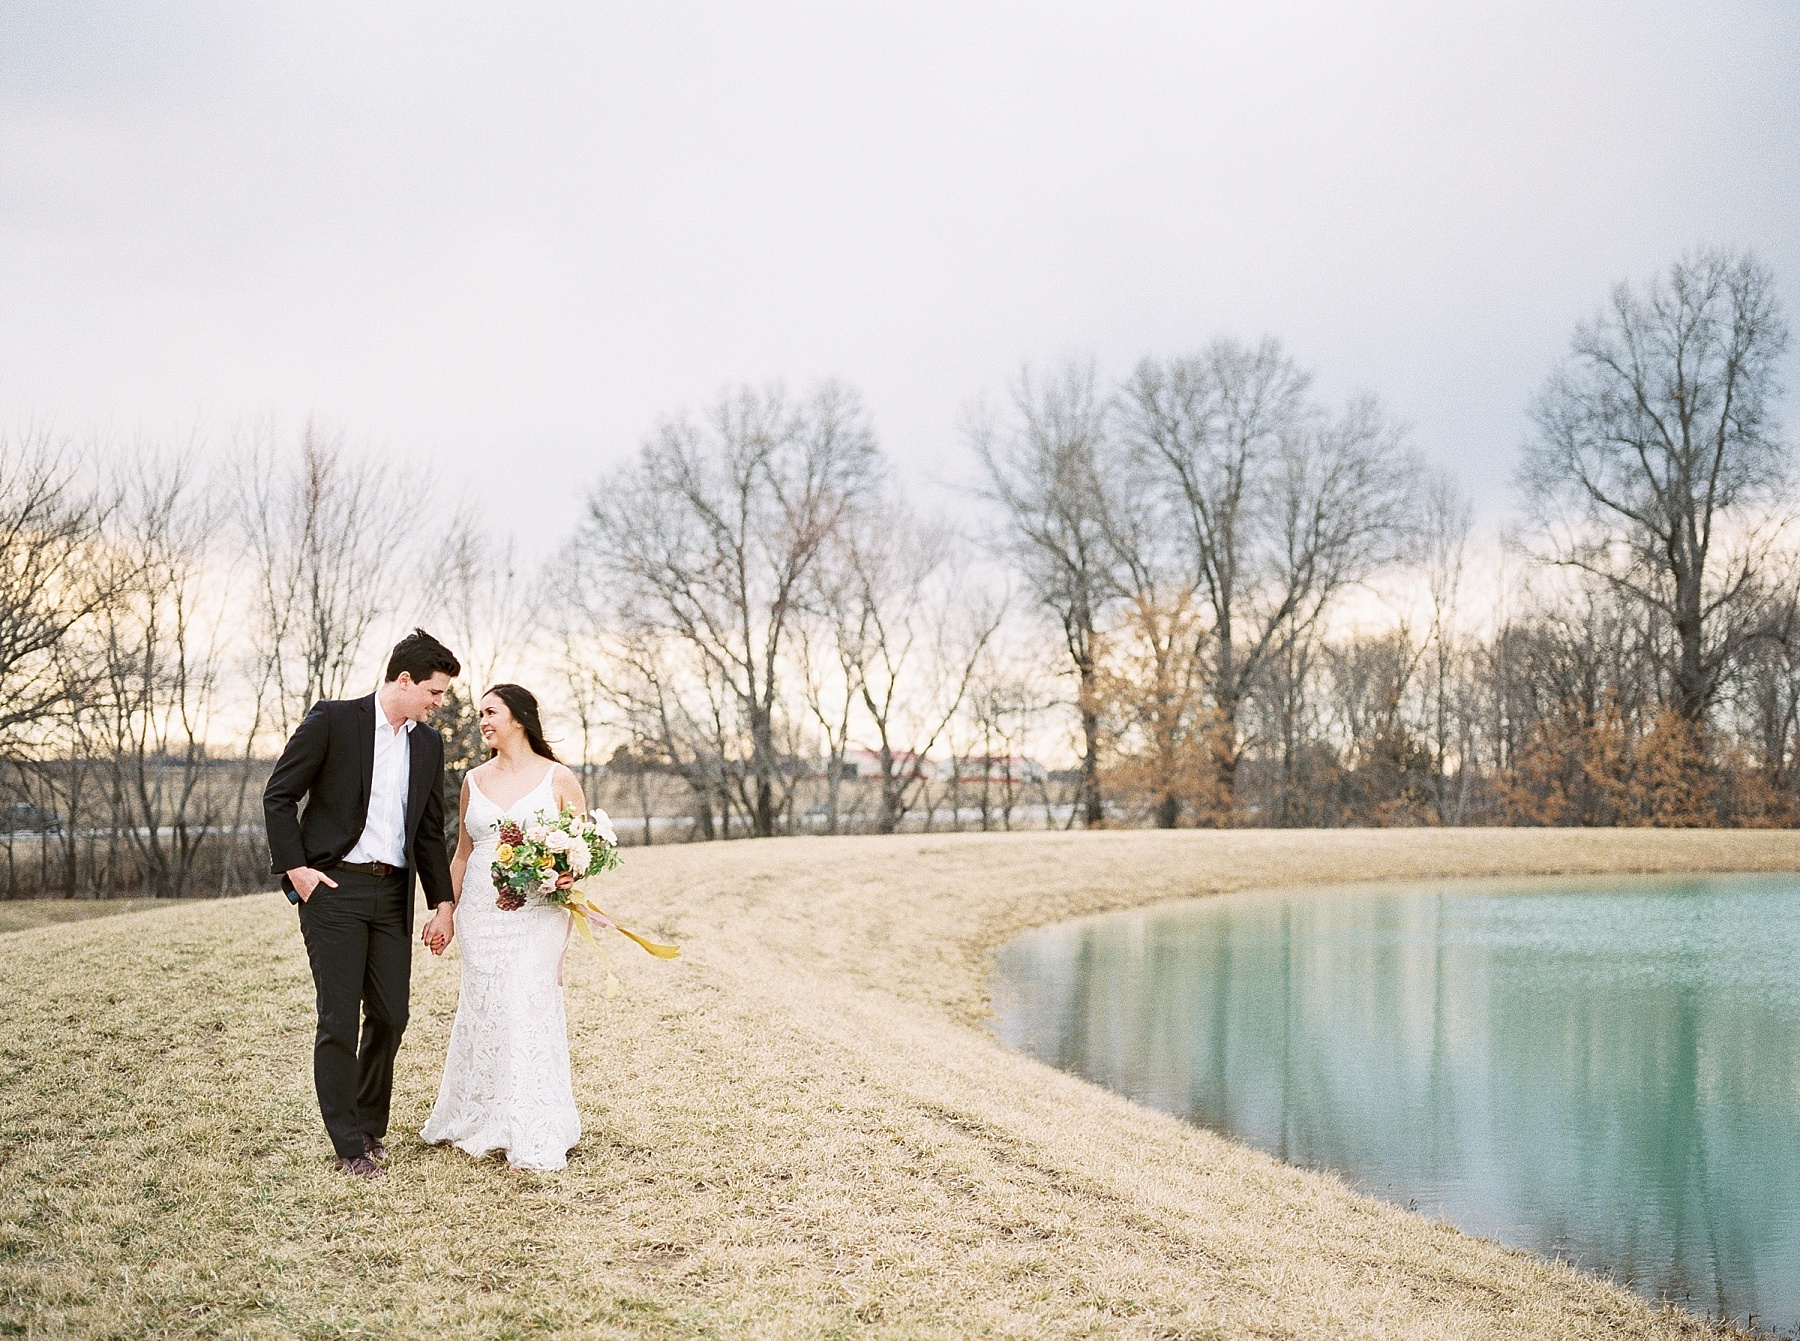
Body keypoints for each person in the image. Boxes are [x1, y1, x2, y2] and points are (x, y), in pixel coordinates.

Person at [262, 629, 459, 1179]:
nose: (439, 704)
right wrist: (298, 870)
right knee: (339, 1020)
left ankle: (371, 1125)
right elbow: (278, 794)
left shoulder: (427, 744)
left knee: (392, 1016)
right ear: (404, 680)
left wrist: (442, 903)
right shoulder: (333, 721)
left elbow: (428, 832)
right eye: (435, 692)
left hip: (392, 894)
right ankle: (347, 1144)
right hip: (334, 891)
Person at [421, 682, 589, 1172]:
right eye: (479, 714)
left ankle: (531, 1131)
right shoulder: (473, 779)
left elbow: (582, 852)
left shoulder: (559, 778)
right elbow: (462, 853)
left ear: (519, 717)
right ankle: (483, 1117)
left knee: (526, 1003)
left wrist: (565, 873)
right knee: (488, 1006)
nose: (483, 721)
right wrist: (445, 910)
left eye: (491, 712)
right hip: (481, 911)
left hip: (537, 912)